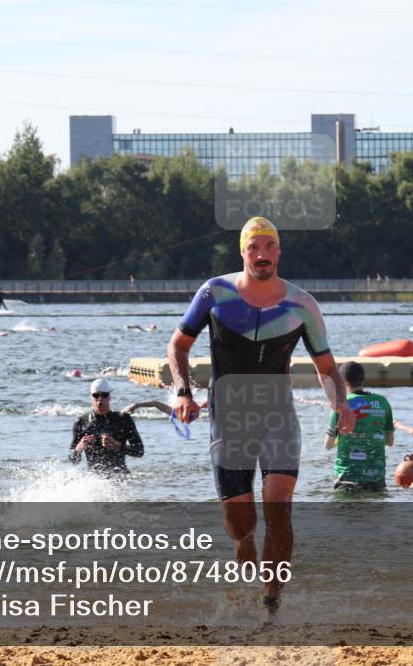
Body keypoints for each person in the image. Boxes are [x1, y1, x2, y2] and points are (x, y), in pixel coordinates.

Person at [167, 215, 354, 621]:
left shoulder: (301, 304)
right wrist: (183, 391)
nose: (262, 254)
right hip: (229, 417)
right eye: (254, 247)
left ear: (279, 251)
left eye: (269, 246)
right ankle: (242, 540)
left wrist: (341, 402)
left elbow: (327, 367)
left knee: (280, 508)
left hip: (277, 416)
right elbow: (177, 347)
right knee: (241, 522)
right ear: (243, 251)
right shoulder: (214, 293)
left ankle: (272, 603)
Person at [325, 361, 394, 493]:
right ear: (363, 379)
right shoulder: (382, 402)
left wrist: (349, 436)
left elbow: (328, 445)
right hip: (376, 478)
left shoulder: (341, 405)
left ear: (342, 381)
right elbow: (390, 442)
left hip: (346, 477)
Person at [69, 378, 144, 477]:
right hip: (95, 480)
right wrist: (78, 448)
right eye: (96, 395)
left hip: (120, 477)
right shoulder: (82, 422)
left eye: (104, 395)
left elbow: (139, 451)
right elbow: (73, 460)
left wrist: (118, 446)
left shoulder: (123, 419)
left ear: (109, 397)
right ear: (91, 397)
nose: (100, 399)